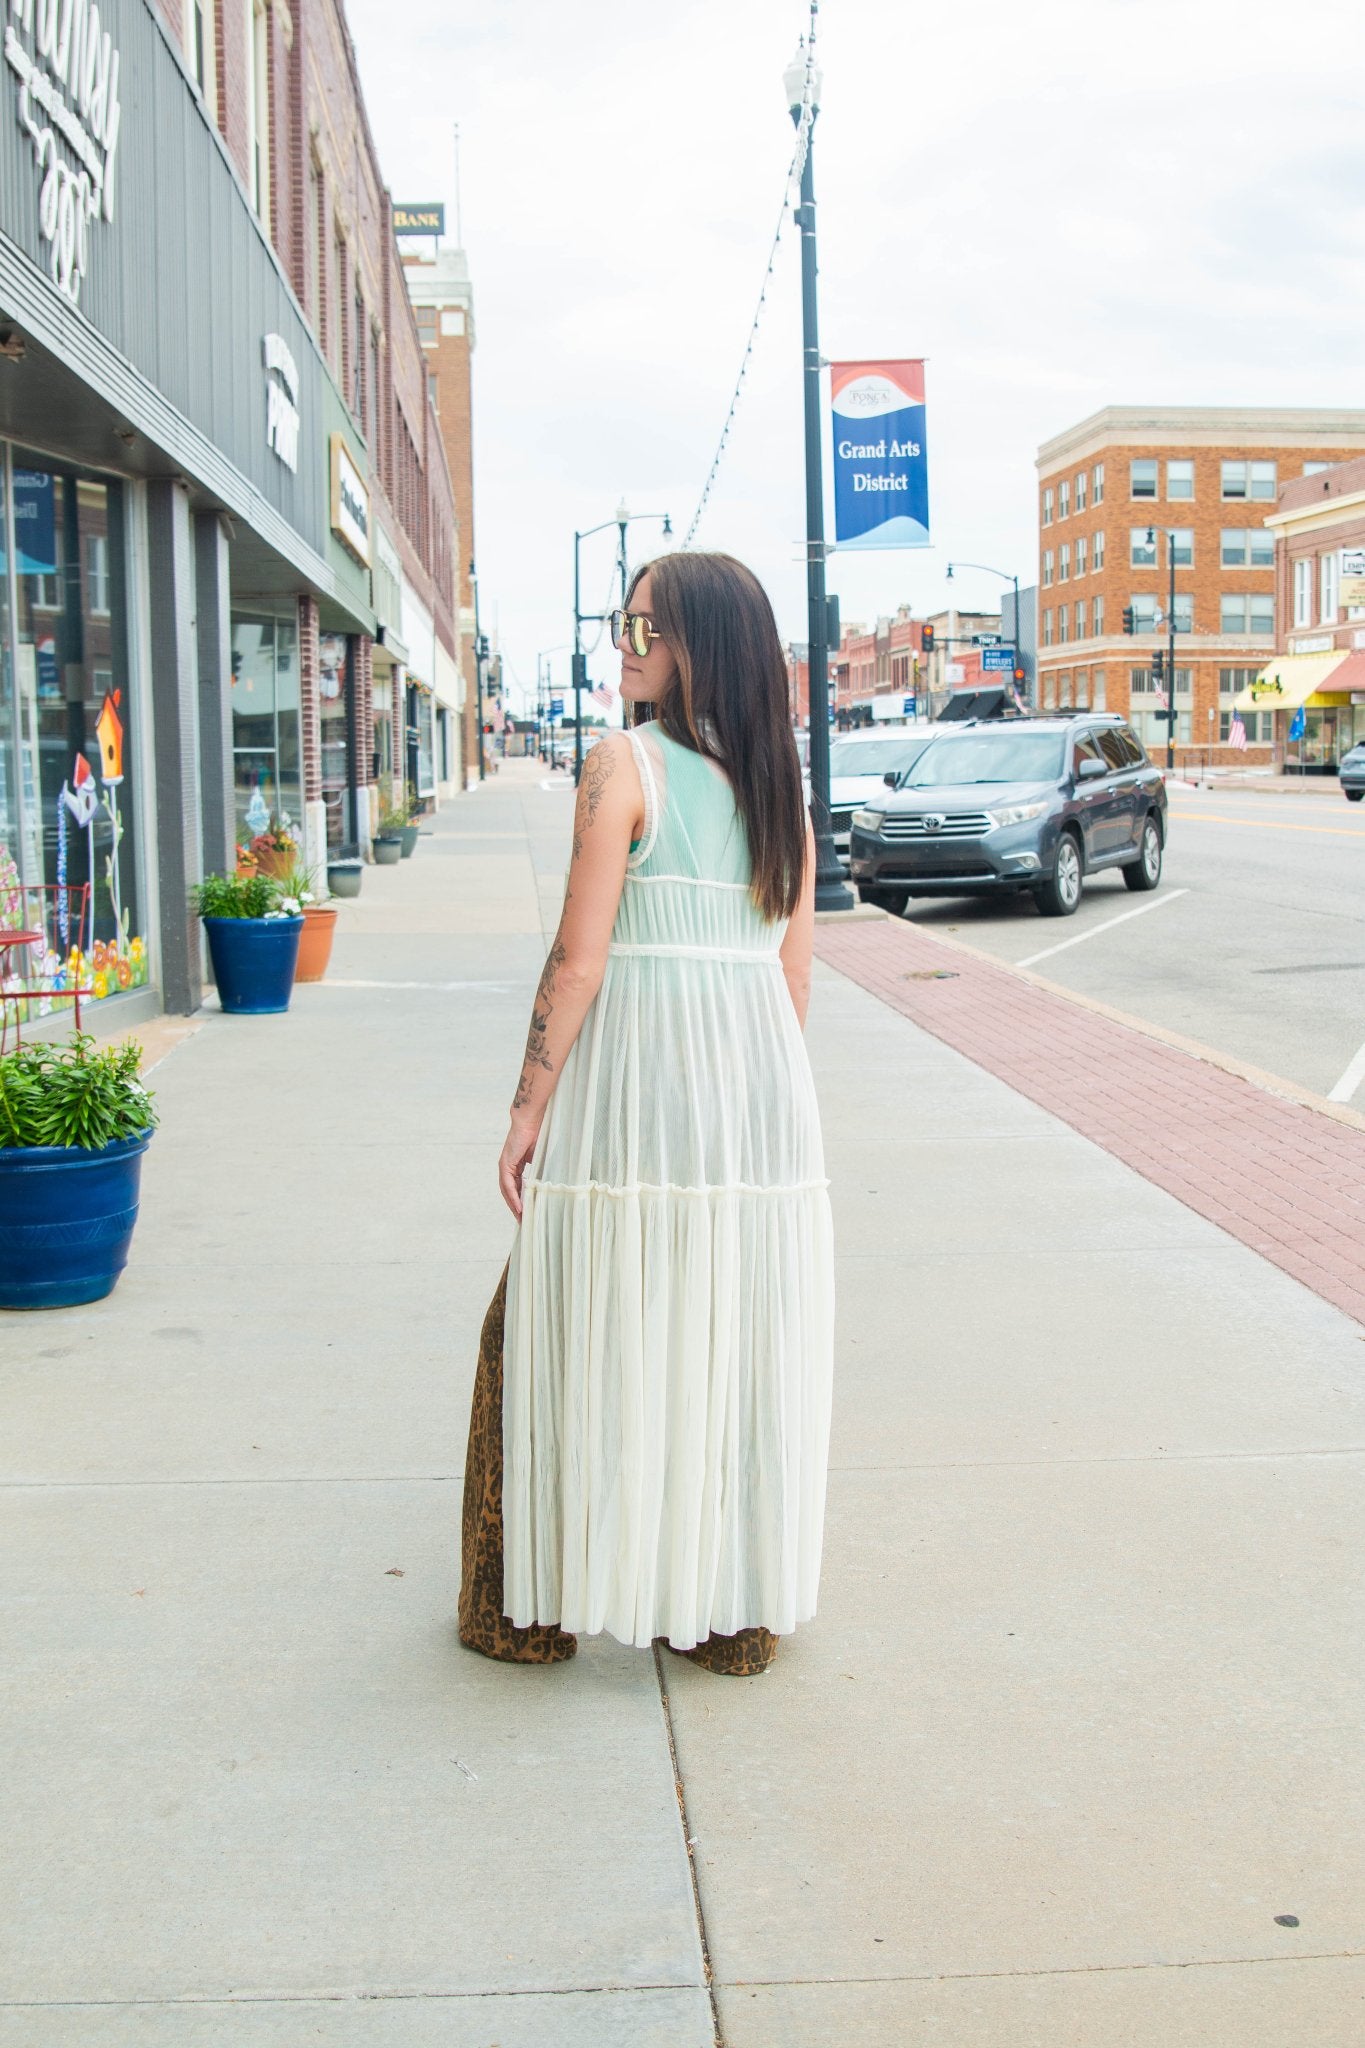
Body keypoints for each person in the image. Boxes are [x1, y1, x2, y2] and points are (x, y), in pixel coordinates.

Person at [458, 551, 835, 1677]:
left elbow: (577, 960)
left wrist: (528, 1107)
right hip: (754, 1100)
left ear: (697, 649)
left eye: (645, 628)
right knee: (722, 1334)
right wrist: (742, 1101)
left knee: (554, 1328)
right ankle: (731, 1616)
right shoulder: (781, 792)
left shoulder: (623, 763)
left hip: (635, 1093)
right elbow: (795, 980)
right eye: (623, 624)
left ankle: (525, 1610)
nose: (623, 645)